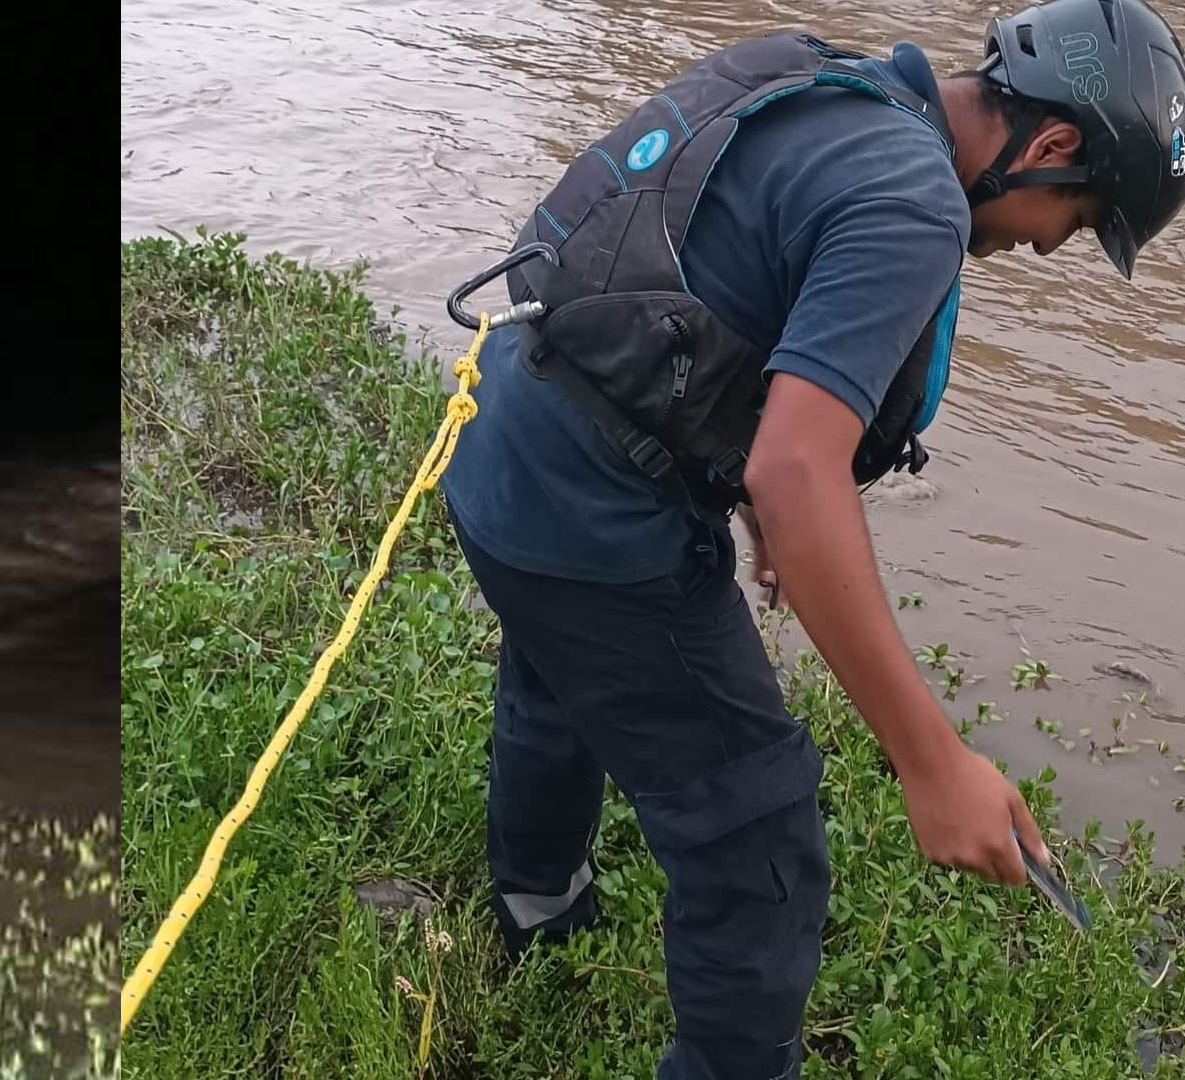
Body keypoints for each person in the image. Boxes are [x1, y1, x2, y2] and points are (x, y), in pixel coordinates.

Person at [435, 1, 1185, 1075]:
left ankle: (538, 914)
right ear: (1052, 148)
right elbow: (796, 467)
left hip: (505, 437)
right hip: (595, 515)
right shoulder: (918, 202)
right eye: (1077, 219)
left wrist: (762, 500)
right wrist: (933, 762)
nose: (1045, 247)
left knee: (561, 679)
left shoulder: (818, 76)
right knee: (760, 833)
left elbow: (702, 291)